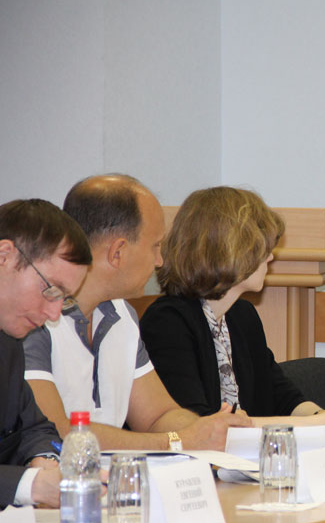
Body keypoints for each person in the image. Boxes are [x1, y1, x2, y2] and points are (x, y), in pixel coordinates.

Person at [23, 174, 251, 451]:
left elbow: (158, 416)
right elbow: (53, 430)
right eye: (155, 246)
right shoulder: (34, 318)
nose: (160, 261)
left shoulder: (122, 315)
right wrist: (180, 441)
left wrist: (208, 428)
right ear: (117, 252)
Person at [139, 187, 325, 438]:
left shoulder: (241, 315)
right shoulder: (167, 323)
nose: (270, 257)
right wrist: (317, 426)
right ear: (231, 250)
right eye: (262, 248)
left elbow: (281, 395)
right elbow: (197, 425)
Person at [0, 199, 92, 508]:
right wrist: (32, 485)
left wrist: (44, 461)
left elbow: (35, 427)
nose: (54, 315)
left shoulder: (9, 341)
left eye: (64, 299)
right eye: (51, 290)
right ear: (4, 257)